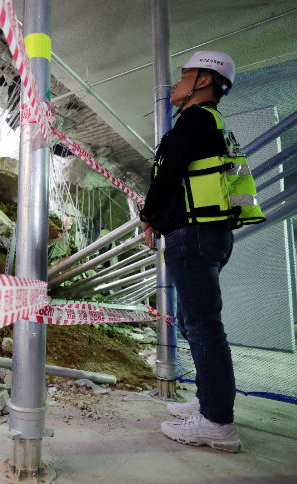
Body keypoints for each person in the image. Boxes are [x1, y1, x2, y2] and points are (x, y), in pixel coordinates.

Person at [139, 51, 265, 453]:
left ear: (204, 81)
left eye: (185, 74)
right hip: (207, 233)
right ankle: (209, 403)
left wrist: (149, 215)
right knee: (197, 325)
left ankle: (216, 424)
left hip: (193, 235)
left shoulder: (196, 119)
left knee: (204, 328)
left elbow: (170, 170)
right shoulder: (209, 122)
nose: (175, 82)